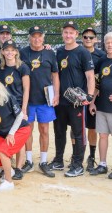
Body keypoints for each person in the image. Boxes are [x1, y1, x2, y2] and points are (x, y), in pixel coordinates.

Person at [49, 21, 95, 177]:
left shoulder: (83, 52)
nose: (68, 35)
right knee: (59, 131)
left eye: (71, 32)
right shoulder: (59, 51)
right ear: (62, 34)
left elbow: (90, 76)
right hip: (60, 100)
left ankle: (77, 164)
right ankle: (58, 160)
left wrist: (88, 96)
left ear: (76, 34)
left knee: (78, 133)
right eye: (66, 32)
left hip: (77, 101)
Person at [20, 26, 59, 177]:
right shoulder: (23, 53)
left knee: (44, 129)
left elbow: (55, 75)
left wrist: (56, 94)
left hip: (45, 99)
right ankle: (29, 161)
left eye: (39, 36)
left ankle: (43, 161)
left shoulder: (50, 53)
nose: (36, 39)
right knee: (27, 130)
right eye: (33, 36)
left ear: (43, 37)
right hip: (28, 99)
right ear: (29, 37)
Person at [0, 72, 30, 192]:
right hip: (3, 134)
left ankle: (9, 182)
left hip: (20, 129)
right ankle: (10, 171)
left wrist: (11, 133)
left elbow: (20, 116)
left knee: (3, 152)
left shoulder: (7, 98)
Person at [0, 40, 30, 179]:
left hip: (18, 105)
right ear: (3, 52)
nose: (9, 52)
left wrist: (23, 108)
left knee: (18, 137)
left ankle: (19, 168)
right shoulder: (0, 68)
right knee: (6, 135)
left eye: (12, 50)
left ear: (16, 52)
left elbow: (26, 88)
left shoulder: (22, 67)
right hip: (4, 107)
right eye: (7, 50)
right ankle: (6, 165)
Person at [81, 27, 105, 172]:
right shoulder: (77, 52)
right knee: (76, 128)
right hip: (78, 95)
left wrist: (94, 98)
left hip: (93, 97)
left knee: (92, 127)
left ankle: (91, 156)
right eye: (85, 37)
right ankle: (76, 156)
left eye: (91, 37)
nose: (88, 39)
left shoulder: (101, 56)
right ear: (82, 38)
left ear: (95, 39)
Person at [89, 32, 112, 177]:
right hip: (102, 106)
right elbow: (96, 83)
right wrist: (92, 102)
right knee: (102, 136)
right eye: (107, 42)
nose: (110, 45)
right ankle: (102, 164)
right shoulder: (102, 60)